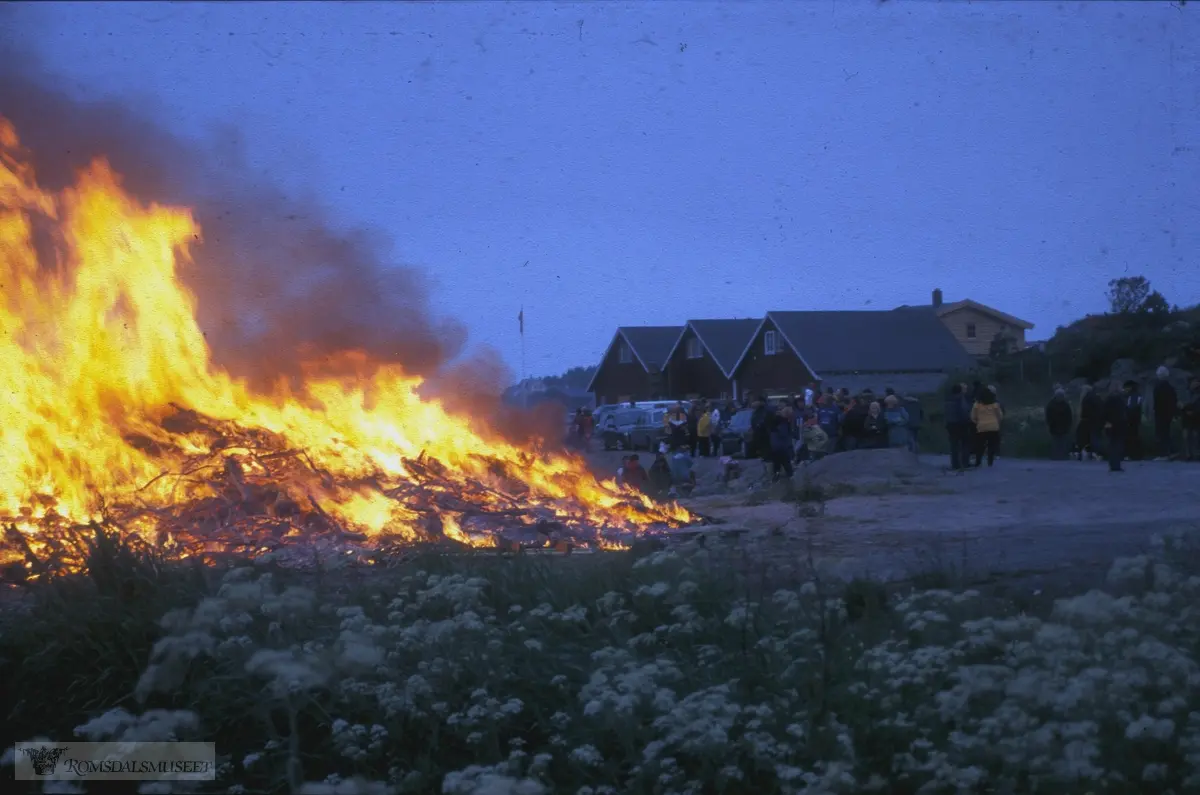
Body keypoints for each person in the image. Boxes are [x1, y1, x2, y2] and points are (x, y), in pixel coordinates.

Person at [969, 387, 1003, 467]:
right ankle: (990, 461)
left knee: (980, 445)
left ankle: (978, 461)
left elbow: (973, 416)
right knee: (992, 445)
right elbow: (1000, 416)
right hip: (993, 427)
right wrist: (997, 422)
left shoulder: (977, 405)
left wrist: (977, 422)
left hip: (981, 427)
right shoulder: (995, 404)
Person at [1152, 366, 1178, 460]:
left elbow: (1157, 402)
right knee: (1166, 433)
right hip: (1169, 413)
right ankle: (1172, 451)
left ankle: (1163, 454)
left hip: (1160, 413)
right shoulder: (1170, 387)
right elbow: (1174, 400)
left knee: (1161, 433)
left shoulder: (1157, 387)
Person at [944, 383, 971, 471]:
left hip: (950, 424)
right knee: (965, 444)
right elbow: (964, 410)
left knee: (954, 445)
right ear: (960, 390)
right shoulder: (961, 398)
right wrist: (968, 419)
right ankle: (965, 463)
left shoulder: (948, 399)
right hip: (961, 424)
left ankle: (955, 464)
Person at [1102, 381, 1128, 472]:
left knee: (1112, 444)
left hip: (1110, 424)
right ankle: (1116, 464)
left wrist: (1106, 422)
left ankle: (1113, 463)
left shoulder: (1108, 399)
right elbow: (1124, 412)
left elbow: (1104, 413)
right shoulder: (1121, 399)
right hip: (1120, 424)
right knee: (1118, 445)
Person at [1045, 387, 1074, 460]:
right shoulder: (1051, 404)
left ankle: (1062, 456)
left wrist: (1069, 425)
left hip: (1063, 427)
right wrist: (1049, 424)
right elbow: (1048, 416)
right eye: (1059, 395)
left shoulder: (1066, 405)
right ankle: (1055, 456)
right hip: (1054, 427)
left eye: (1061, 395)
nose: (1060, 397)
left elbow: (1069, 416)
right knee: (1055, 442)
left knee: (1062, 442)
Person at [767, 406, 795, 480]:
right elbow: (784, 434)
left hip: (774, 446)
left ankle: (776, 478)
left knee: (776, 465)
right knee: (787, 465)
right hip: (782, 447)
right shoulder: (783, 422)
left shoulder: (774, 421)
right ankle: (790, 480)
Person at [1078, 384, 1103, 461]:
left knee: (1087, 438)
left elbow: (1085, 411)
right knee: (1095, 437)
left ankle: (1089, 453)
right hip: (1098, 421)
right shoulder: (1097, 397)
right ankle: (1097, 453)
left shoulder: (1086, 399)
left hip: (1088, 421)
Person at [1123, 380, 1144, 462]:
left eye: (1125, 388)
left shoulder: (1132, 396)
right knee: (1135, 436)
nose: (1124, 389)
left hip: (1131, 420)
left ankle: (1131, 454)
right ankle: (1136, 454)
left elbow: (1131, 408)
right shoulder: (1137, 395)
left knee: (1131, 437)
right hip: (1136, 419)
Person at [1182, 377, 1200, 461]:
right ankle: (1187, 453)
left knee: (1195, 435)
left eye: (1197, 382)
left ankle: (1194, 452)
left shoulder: (1198, 394)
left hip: (1196, 416)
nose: (1196, 384)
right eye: (1194, 382)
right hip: (1186, 416)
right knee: (1186, 435)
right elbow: (1181, 403)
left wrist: (1195, 412)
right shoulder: (1186, 393)